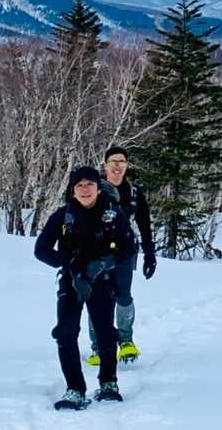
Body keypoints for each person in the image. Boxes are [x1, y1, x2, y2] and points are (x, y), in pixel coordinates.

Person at [34, 165, 136, 411]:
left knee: (104, 331)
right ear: (73, 190)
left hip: (102, 280)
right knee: (66, 332)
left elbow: (129, 247)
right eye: (79, 185)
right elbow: (41, 250)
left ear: (98, 188)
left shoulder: (113, 213)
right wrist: (71, 266)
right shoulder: (62, 216)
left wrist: (103, 263)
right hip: (72, 282)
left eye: (89, 184)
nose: (85, 189)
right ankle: (75, 389)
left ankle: (109, 383)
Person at [87, 145, 157, 365]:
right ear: (105, 165)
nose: (117, 166)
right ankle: (98, 346)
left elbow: (144, 225)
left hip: (125, 252)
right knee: (97, 298)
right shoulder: (93, 188)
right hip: (96, 252)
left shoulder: (134, 193)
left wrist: (150, 254)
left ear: (127, 166)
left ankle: (126, 341)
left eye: (122, 162)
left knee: (123, 296)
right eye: (113, 162)